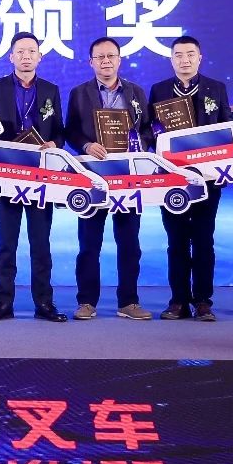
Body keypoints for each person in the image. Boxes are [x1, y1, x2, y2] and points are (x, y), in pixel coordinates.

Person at [0, 32, 68, 322]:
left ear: (39, 57)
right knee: (6, 242)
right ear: (11, 57)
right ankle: (3, 304)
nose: (26, 56)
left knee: (41, 243)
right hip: (6, 174)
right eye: (20, 51)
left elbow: (60, 131)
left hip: (41, 176)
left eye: (32, 51)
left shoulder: (51, 90)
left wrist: (54, 143)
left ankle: (44, 303)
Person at [65, 36, 154, 321]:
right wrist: (86, 145)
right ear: (91, 62)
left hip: (129, 177)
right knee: (89, 244)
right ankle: (86, 301)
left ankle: (129, 302)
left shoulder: (136, 92)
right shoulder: (79, 93)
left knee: (130, 243)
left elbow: (149, 130)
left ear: (119, 60)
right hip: (93, 176)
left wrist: (138, 145)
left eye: (111, 56)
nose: (106, 61)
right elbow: (70, 131)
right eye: (100, 57)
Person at [148, 35, 230, 323]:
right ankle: (178, 301)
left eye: (190, 54)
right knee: (177, 241)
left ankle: (203, 301)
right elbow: (151, 131)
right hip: (173, 180)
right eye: (179, 55)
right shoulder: (159, 90)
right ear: (171, 59)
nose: (185, 59)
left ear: (199, 57)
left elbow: (227, 131)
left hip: (208, 177)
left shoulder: (215, 88)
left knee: (204, 239)